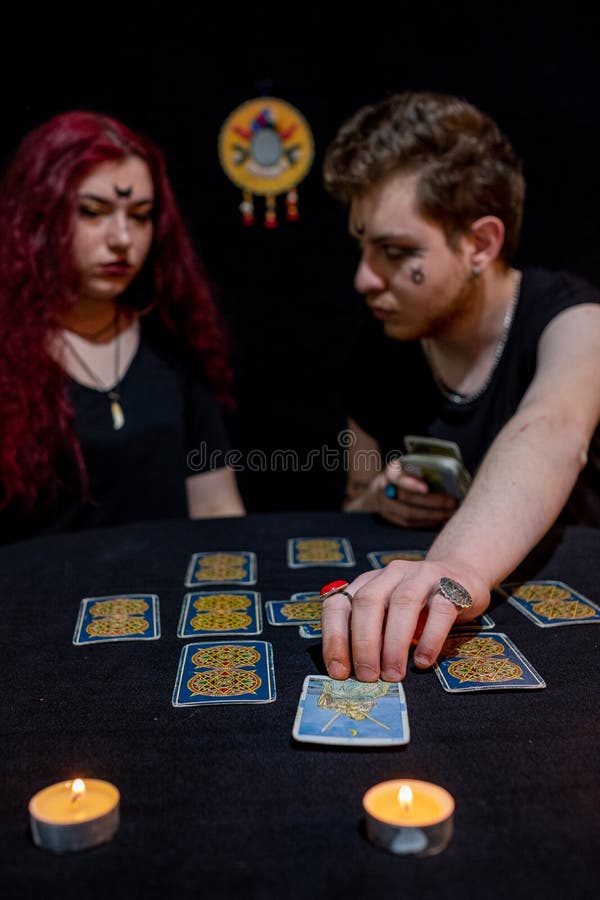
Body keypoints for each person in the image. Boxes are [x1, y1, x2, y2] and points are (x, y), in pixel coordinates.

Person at [319, 91, 600, 682]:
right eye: (364, 247)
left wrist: (449, 568)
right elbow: (358, 495)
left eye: (396, 252)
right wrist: (385, 500)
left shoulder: (576, 320)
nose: (364, 278)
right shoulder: (381, 343)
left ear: (481, 244)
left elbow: (552, 430)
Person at [0, 110, 245, 543]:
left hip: (162, 602)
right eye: (94, 212)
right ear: (37, 217)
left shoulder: (173, 344)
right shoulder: (10, 353)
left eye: (140, 215)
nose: (122, 238)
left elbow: (217, 510)